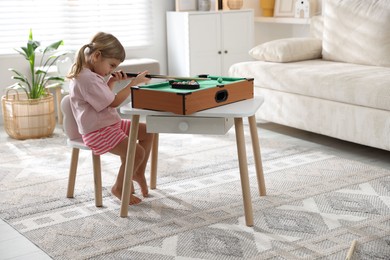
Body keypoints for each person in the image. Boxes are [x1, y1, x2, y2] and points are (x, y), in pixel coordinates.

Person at [67, 32, 153, 205]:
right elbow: (113, 102)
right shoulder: (87, 79)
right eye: (111, 65)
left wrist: (111, 82)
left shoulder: (90, 75)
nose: (111, 70)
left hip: (109, 124)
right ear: (97, 56)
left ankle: (136, 172)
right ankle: (119, 188)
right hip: (98, 131)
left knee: (147, 131)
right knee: (137, 153)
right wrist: (133, 84)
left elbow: (102, 99)